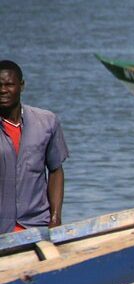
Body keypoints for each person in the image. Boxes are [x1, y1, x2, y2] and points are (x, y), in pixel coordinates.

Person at [0, 60, 69, 234]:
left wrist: (55, 218)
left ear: (21, 86)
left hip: (37, 226)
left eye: (9, 84)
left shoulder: (46, 122)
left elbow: (55, 170)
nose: (3, 90)